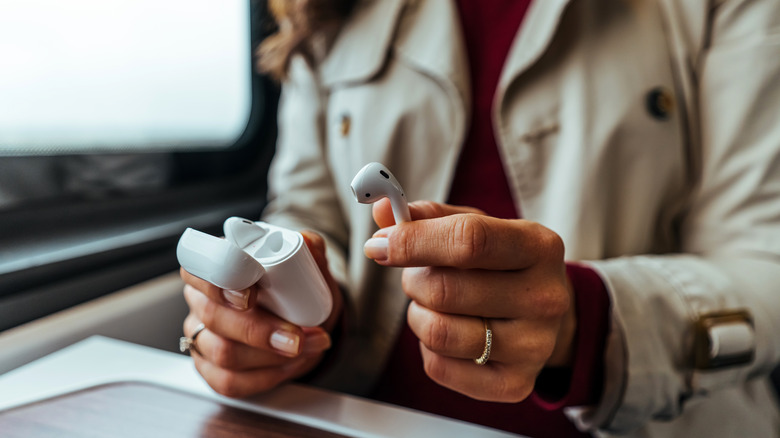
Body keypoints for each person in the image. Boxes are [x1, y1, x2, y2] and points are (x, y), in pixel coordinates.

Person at [179, 0, 780, 436]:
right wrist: (300, 312)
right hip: (363, 421)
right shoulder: (325, 11)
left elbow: (765, 261)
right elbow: (307, 209)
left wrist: (584, 322)